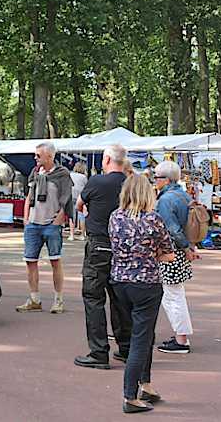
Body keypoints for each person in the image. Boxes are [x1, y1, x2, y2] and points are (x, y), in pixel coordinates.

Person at [108, 174, 175, 414]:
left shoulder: (115, 217)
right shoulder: (153, 220)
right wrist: (149, 255)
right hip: (146, 284)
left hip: (119, 282)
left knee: (142, 334)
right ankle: (130, 396)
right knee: (141, 338)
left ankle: (146, 385)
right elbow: (169, 254)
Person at [74, 144, 132, 369]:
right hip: (124, 247)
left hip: (98, 245)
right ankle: (126, 347)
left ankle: (99, 352)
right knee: (120, 299)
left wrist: (91, 211)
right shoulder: (130, 184)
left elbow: (79, 205)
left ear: (107, 159)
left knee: (93, 298)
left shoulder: (96, 182)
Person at [17, 142, 73, 314]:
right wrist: (26, 218)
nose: (35, 158)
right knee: (30, 261)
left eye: (38, 155)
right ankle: (34, 299)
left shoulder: (62, 174)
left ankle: (58, 300)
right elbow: (29, 196)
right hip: (33, 224)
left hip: (51, 224)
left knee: (55, 261)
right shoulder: (35, 173)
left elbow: (67, 198)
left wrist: (59, 219)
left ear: (50, 156)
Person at [154, 160, 198, 354]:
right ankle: (181, 336)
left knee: (172, 296)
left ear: (165, 179)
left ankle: (181, 339)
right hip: (180, 250)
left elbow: (171, 229)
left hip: (171, 251)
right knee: (175, 293)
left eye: (156, 177)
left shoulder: (165, 200)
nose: (154, 180)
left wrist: (185, 247)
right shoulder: (184, 195)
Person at [69, 162, 88, 241]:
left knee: (71, 216)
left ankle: (72, 235)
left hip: (71, 196)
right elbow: (86, 187)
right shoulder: (84, 177)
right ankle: (82, 235)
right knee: (81, 216)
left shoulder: (70, 175)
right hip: (80, 197)